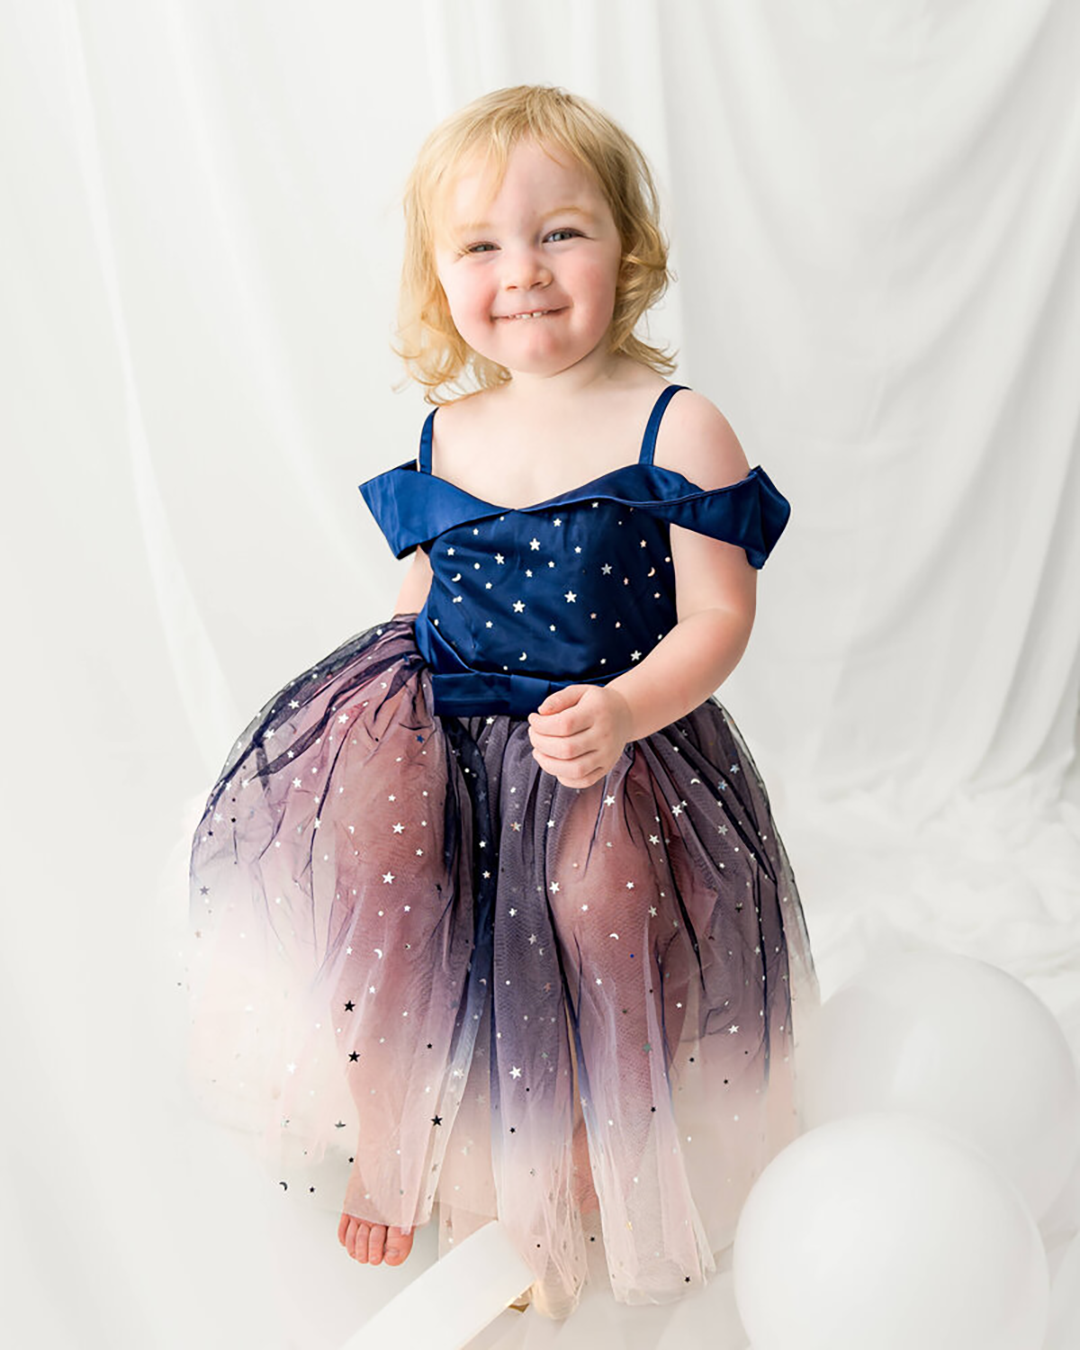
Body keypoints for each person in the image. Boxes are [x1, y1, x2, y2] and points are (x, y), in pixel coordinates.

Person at [185, 84, 820, 1322]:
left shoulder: (676, 428)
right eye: (480, 245)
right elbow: (425, 605)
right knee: (380, 863)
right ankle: (396, 1128)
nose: (521, 271)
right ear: (438, 277)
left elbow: (719, 616)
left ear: (627, 246)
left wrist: (625, 712)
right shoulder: (448, 430)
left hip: (606, 736)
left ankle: (593, 1145)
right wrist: (393, 741)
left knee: (599, 899)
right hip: (453, 729)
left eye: (559, 232)